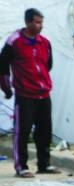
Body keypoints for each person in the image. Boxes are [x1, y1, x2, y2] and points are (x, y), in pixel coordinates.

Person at [0, 8, 60, 177]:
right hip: (25, 94)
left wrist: (41, 80)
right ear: (27, 22)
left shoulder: (45, 42)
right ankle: (21, 166)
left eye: (41, 22)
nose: (40, 26)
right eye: (36, 22)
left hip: (43, 92)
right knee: (22, 131)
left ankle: (44, 164)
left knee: (45, 130)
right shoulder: (14, 41)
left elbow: (48, 65)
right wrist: (6, 88)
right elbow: (2, 66)